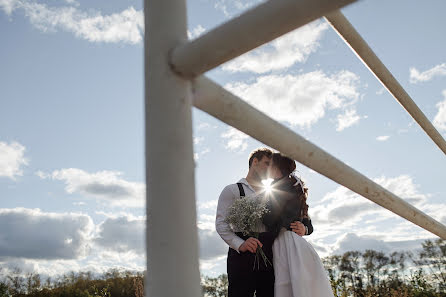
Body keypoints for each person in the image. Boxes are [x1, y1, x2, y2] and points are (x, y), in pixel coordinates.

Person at [263, 153, 334, 297]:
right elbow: (307, 224)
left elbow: (272, 219)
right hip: (296, 243)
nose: (267, 167)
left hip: (286, 244)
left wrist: (305, 228)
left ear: (277, 167)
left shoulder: (281, 187)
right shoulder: (293, 185)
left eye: (270, 164)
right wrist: (306, 228)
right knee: (301, 286)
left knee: (288, 285)